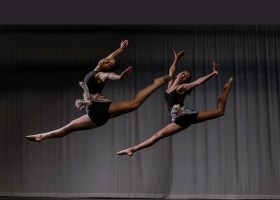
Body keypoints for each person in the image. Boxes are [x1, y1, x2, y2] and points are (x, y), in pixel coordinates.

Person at [26, 40, 172, 142]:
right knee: (69, 127)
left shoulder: (101, 74)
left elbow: (109, 75)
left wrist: (120, 77)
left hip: (99, 108)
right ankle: (42, 136)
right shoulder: (98, 67)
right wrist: (121, 49)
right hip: (95, 114)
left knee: (134, 104)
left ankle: (156, 83)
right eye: (107, 60)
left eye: (109, 63)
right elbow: (111, 56)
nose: (107, 60)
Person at [117, 50, 234, 156]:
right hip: (182, 115)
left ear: (185, 80)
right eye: (183, 73)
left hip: (183, 115)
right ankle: (132, 149)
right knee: (157, 135)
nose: (184, 75)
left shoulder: (181, 87)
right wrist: (176, 59)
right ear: (179, 74)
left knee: (219, 111)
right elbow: (171, 71)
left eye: (186, 76)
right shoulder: (170, 85)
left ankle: (227, 88)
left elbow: (197, 82)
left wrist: (213, 73)